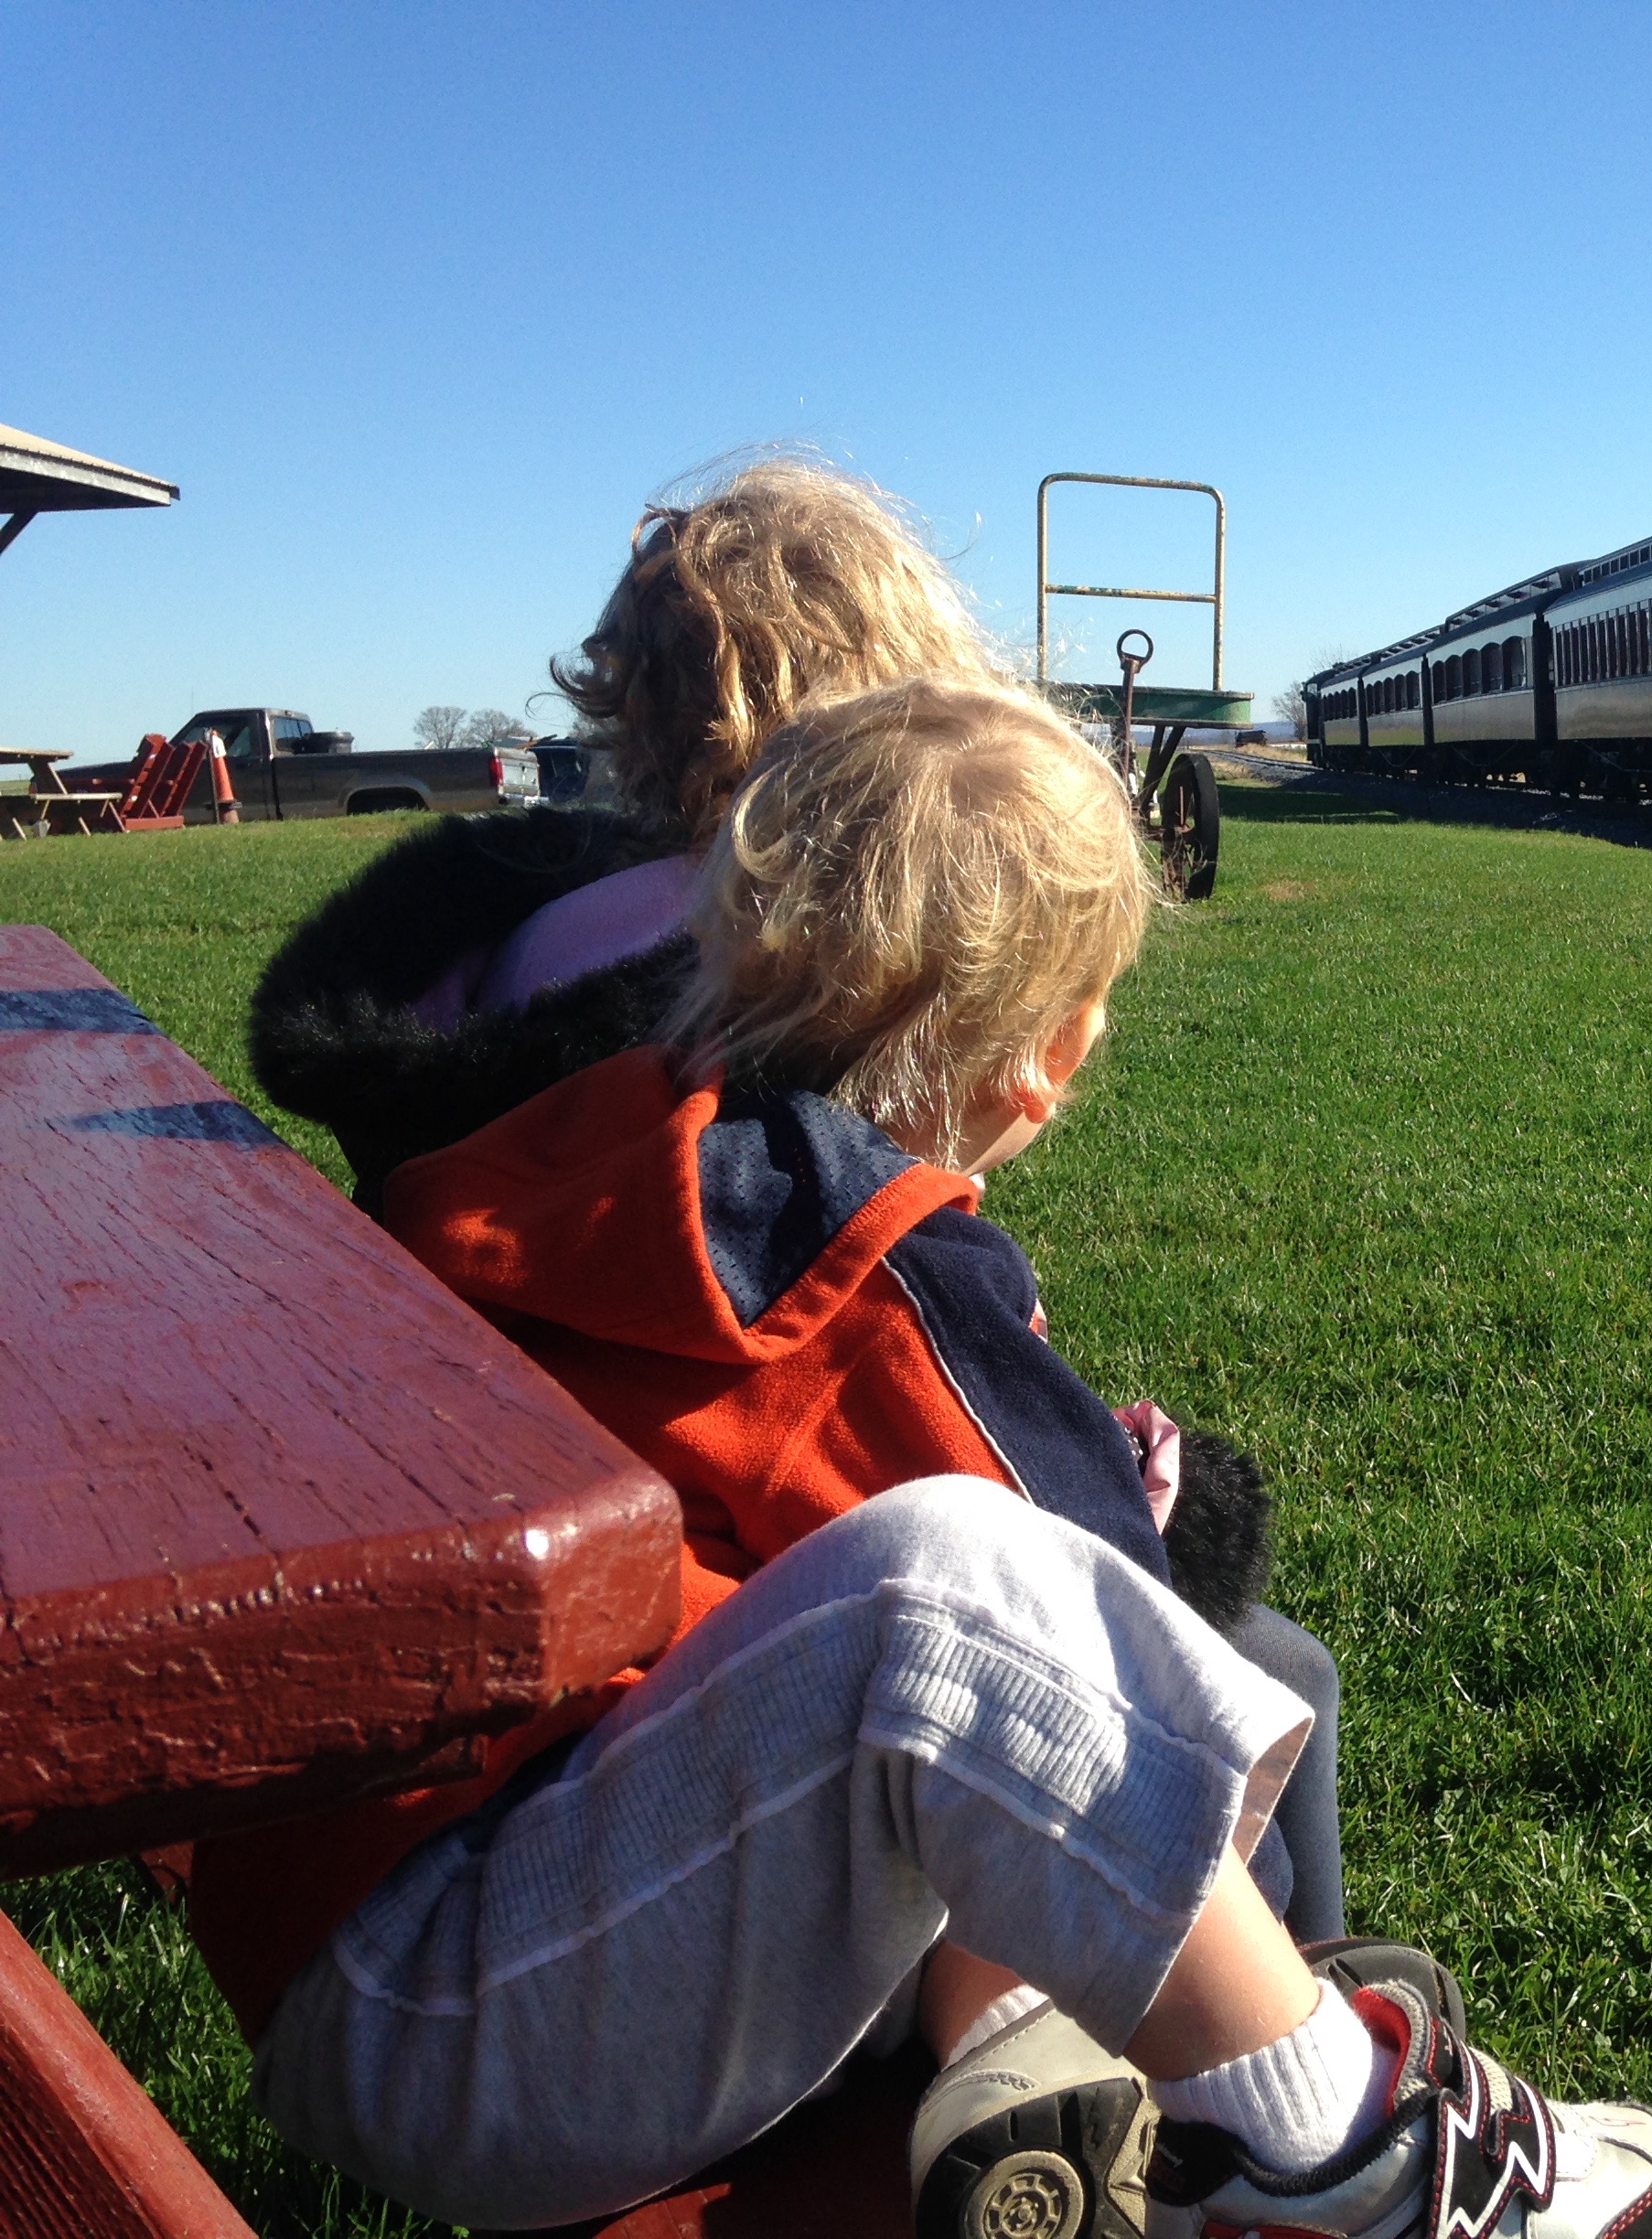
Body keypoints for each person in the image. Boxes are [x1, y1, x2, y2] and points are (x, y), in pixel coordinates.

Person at [214, 680, 1652, 2237]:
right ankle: (1330, 2150)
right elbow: (1095, 1609)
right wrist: (1151, 1506)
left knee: (962, 1627)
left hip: (385, 1946)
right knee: (977, 1595)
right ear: (1047, 1061)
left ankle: (1123, 2084)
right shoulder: (846, 1244)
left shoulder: (585, 1151)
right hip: (480, 2015)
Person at [238, 453, 1344, 1938]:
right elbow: (910, 1448)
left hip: (497, 1657)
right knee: (1270, 1667)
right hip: (675, 1698)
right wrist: (1168, 1500)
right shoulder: (763, 1015)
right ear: (887, 710)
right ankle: (1292, 2063)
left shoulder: (496, 968)